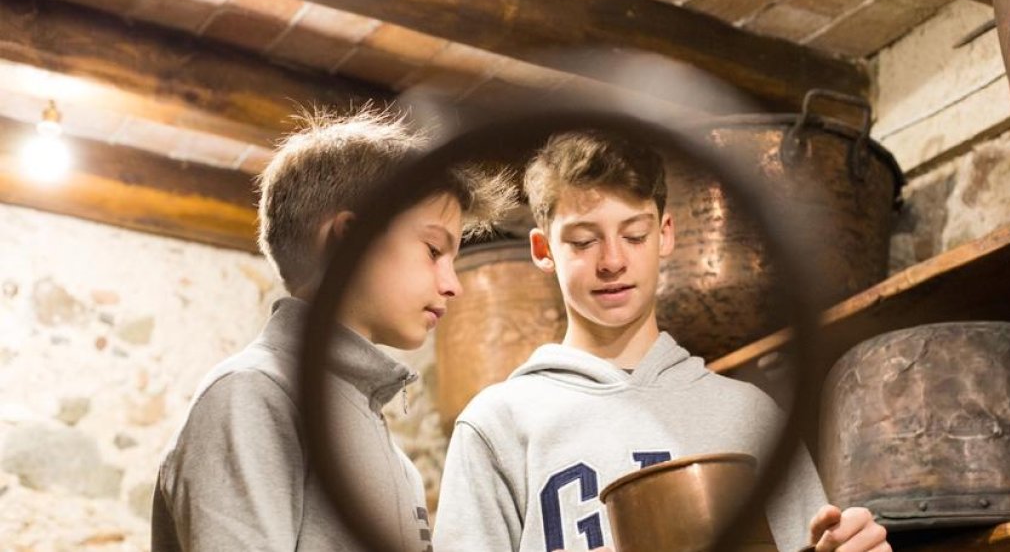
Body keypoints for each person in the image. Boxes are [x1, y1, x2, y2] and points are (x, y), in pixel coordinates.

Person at [434, 131, 890, 552]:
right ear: (543, 250)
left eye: (634, 235)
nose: (612, 261)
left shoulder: (749, 416)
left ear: (665, 234)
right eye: (583, 241)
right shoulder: (497, 426)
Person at [151, 108, 513, 551]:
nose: (452, 284)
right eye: (434, 250)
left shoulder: (393, 456)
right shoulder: (253, 395)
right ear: (348, 241)